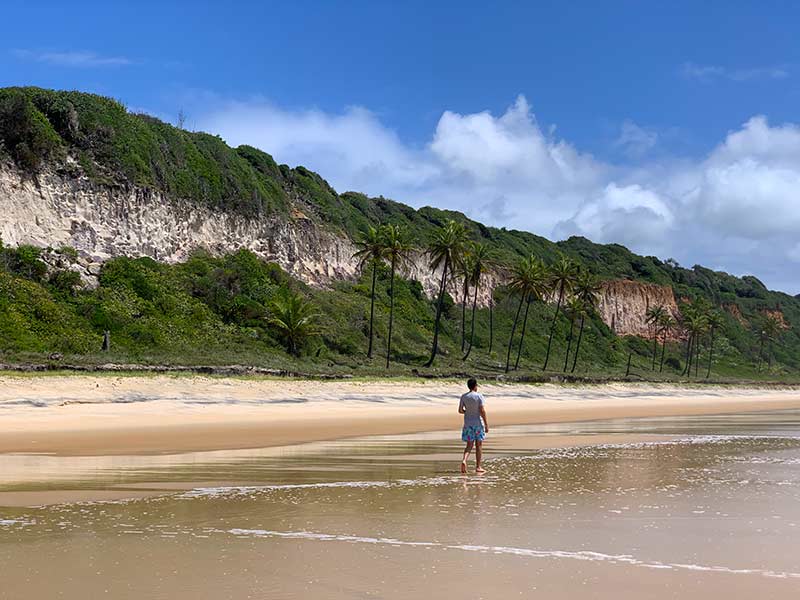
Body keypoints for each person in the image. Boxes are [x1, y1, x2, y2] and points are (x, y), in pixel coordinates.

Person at [458, 377, 488, 474]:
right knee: (478, 445)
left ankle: (464, 460)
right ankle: (478, 467)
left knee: (469, 445)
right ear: (475, 386)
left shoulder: (464, 396)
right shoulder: (479, 396)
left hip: (468, 423)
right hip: (478, 423)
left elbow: (460, 410)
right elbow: (482, 411)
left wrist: (468, 412)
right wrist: (486, 424)